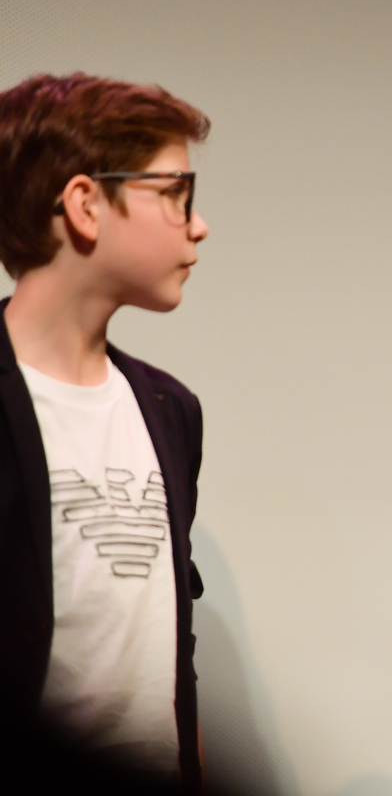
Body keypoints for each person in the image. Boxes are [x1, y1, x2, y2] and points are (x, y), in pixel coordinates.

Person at [0, 74, 211, 794]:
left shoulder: (170, 408)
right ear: (86, 204)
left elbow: (173, 647)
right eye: (176, 193)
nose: (199, 223)